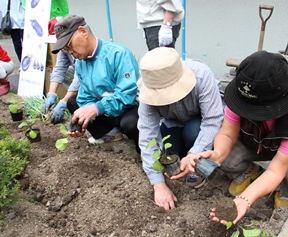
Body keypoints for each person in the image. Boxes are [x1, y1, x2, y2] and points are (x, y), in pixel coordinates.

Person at [189, 51, 288, 225]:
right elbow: (227, 133)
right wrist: (217, 155)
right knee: (227, 160)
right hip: (256, 143)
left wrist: (244, 199)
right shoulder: (239, 98)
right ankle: (253, 172)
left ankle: (285, 187)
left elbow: (276, 169)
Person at [137, 47, 224, 210]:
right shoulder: (148, 89)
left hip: (199, 121)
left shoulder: (202, 76)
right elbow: (148, 135)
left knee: (192, 132)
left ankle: (197, 167)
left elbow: (212, 120)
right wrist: (158, 184)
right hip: (173, 122)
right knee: (170, 153)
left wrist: (193, 156)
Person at [51, 15, 140, 152]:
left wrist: (96, 109)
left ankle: (142, 148)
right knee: (73, 102)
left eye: (69, 45)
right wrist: (84, 121)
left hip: (128, 107)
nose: (69, 52)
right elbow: (85, 96)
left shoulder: (118, 54)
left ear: (83, 32)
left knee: (131, 124)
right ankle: (111, 134)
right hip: (107, 110)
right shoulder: (80, 63)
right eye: (65, 49)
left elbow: (127, 96)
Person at [41, 17, 80, 125]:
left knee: (72, 96)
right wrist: (51, 94)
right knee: (67, 71)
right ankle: (74, 97)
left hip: (89, 79)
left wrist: (64, 101)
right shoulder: (63, 49)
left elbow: (80, 76)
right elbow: (59, 69)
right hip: (79, 76)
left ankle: (77, 99)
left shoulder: (80, 48)